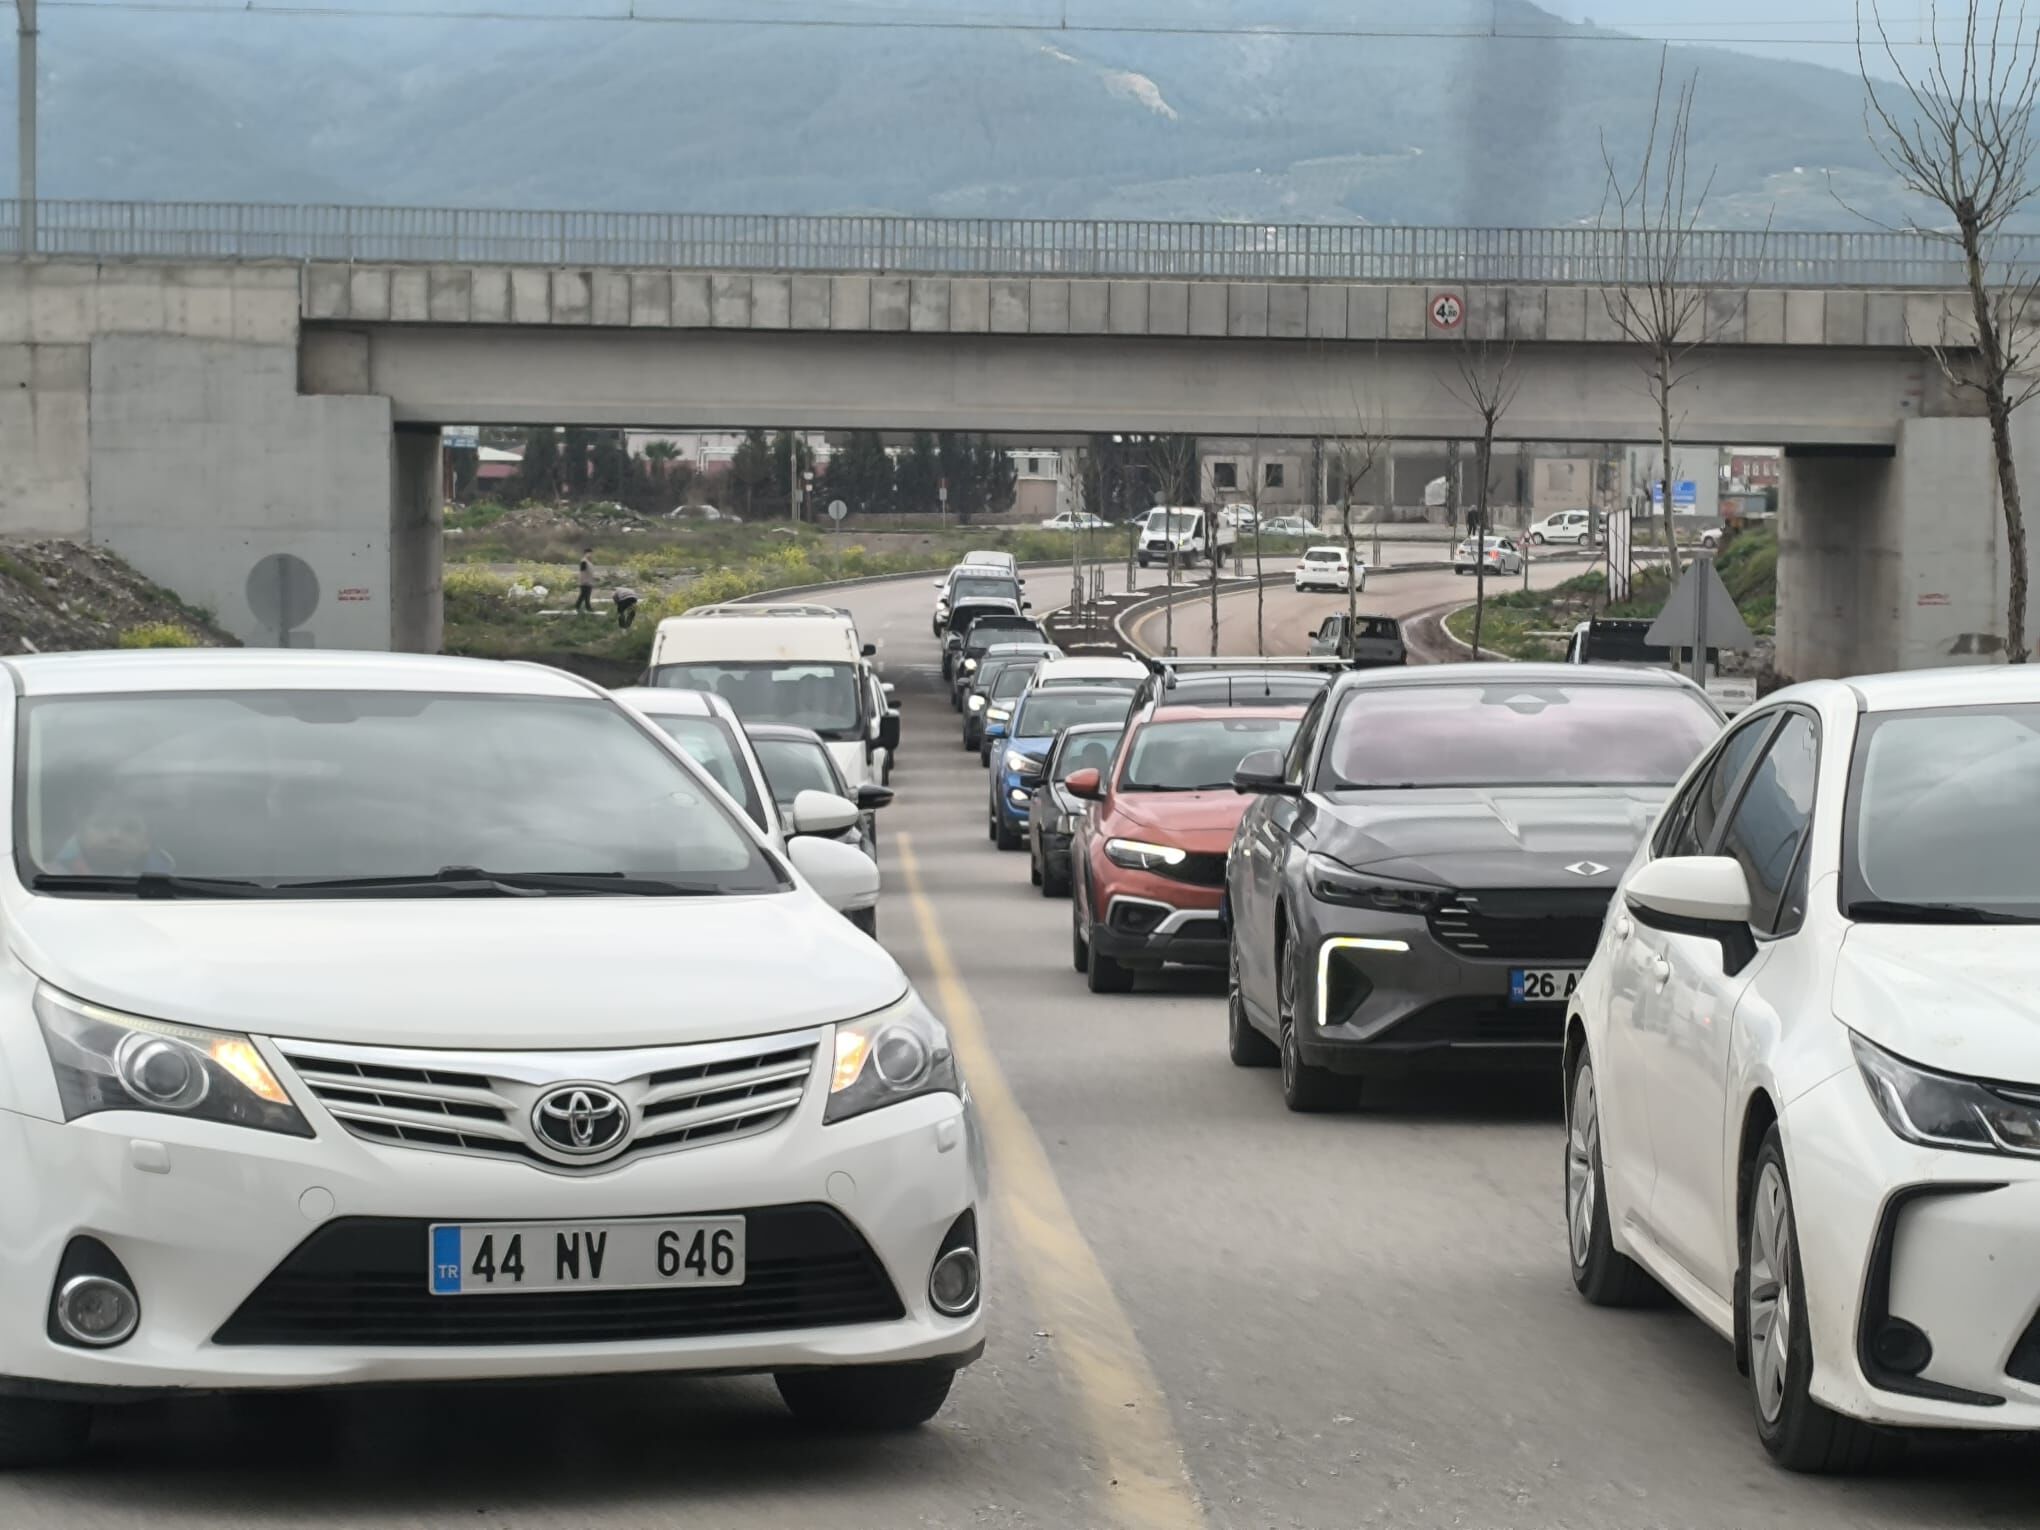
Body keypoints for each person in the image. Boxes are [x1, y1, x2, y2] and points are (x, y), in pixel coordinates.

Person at [49, 799, 175, 877]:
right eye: (101, 825)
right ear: (80, 835)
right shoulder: (49, 878)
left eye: (129, 828)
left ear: (146, 842)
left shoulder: (169, 885)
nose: (114, 836)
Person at [574, 547, 596, 614]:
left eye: (591, 553)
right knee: (584, 595)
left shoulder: (588, 562)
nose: (590, 555)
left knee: (586, 595)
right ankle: (581, 607)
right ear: (585, 553)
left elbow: (590, 572)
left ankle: (585, 607)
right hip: (585, 582)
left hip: (589, 581)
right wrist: (583, 581)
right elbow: (582, 572)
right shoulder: (584, 561)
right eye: (589, 553)